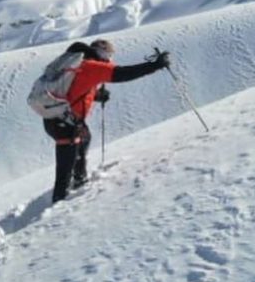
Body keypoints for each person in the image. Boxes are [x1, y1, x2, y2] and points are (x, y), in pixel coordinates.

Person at [43, 39, 170, 203]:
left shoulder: (77, 64)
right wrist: (154, 65)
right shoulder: (92, 66)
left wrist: (96, 95)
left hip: (58, 119)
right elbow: (122, 73)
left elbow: (74, 89)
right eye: (109, 55)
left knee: (83, 139)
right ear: (102, 54)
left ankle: (79, 180)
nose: (110, 60)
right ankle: (58, 208)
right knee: (65, 168)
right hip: (65, 123)